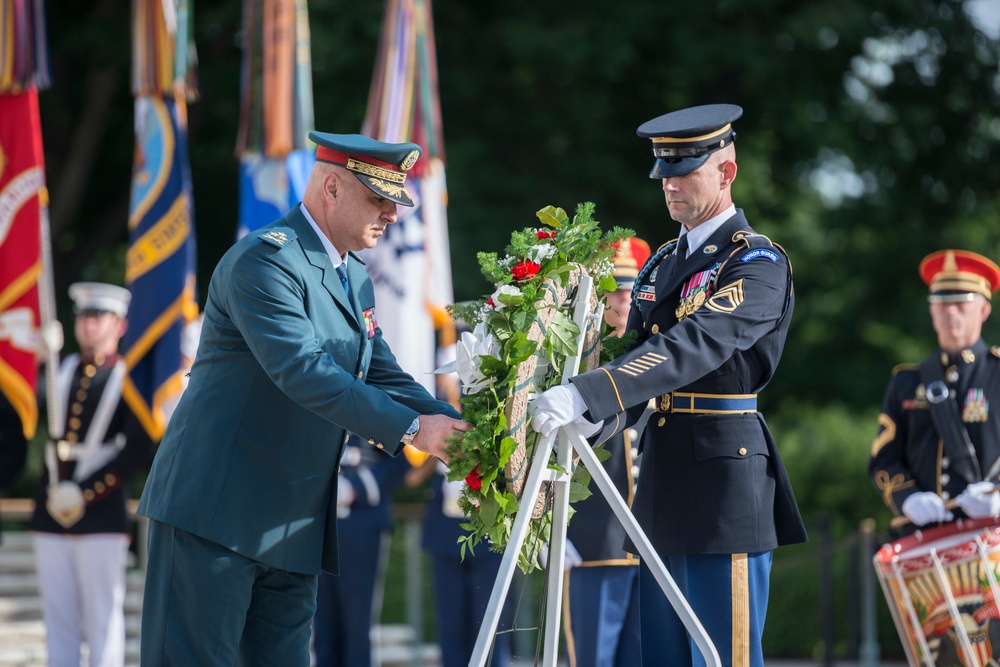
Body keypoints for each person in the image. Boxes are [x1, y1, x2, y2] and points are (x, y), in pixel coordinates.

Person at [136, 133, 469, 666]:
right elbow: (304, 372)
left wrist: (463, 430)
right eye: (378, 199)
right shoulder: (264, 261)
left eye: (395, 203)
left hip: (290, 524)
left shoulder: (353, 277)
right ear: (331, 187)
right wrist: (414, 432)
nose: (390, 214)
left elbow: (382, 372)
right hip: (216, 513)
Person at [529, 104, 807, 667]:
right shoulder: (660, 264)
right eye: (664, 174)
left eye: (684, 172)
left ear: (726, 173)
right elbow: (631, 360)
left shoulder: (756, 261)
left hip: (723, 488)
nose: (670, 186)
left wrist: (590, 393)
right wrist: (588, 420)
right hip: (660, 487)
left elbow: (694, 344)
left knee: (720, 656)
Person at [28, 282, 154, 667]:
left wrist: (84, 493)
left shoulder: (129, 378)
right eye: (84, 316)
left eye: (98, 316)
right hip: (50, 509)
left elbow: (136, 449)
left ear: (119, 324)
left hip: (101, 511)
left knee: (103, 619)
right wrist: (35, 360)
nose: (88, 324)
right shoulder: (61, 369)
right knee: (58, 619)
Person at [561, 237, 650, 667]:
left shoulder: (653, 356)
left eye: (630, 290)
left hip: (648, 542)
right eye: (615, 290)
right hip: (592, 541)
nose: (624, 299)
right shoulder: (573, 362)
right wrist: (552, 529)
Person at [869, 249, 1000, 535]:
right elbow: (885, 459)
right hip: (924, 543)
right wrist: (908, 498)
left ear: (984, 309)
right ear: (931, 309)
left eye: (961, 301)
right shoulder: (906, 381)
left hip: (991, 542)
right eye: (941, 301)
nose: (950, 310)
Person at [311, 433, 410, 667]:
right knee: (322, 624)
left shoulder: (381, 398)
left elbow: (400, 462)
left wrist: (356, 489)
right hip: (320, 525)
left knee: (359, 625)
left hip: (362, 526)